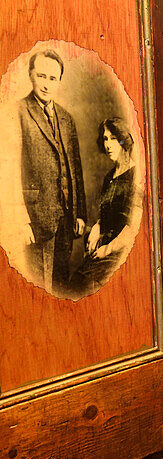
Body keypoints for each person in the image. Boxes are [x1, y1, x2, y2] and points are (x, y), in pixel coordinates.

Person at [18, 49, 86, 295]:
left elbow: (75, 171)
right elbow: (9, 174)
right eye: (42, 76)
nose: (46, 85)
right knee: (39, 288)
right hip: (36, 221)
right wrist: (21, 218)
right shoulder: (17, 113)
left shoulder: (67, 119)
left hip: (66, 220)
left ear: (59, 81)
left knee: (61, 285)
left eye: (52, 78)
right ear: (31, 75)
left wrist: (80, 215)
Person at [71, 118, 140, 293]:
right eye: (105, 139)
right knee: (76, 280)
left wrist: (107, 250)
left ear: (124, 140)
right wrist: (96, 227)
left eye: (113, 138)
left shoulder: (136, 177)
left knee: (84, 283)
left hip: (123, 250)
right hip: (104, 245)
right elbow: (106, 214)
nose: (108, 145)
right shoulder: (109, 177)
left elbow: (132, 228)